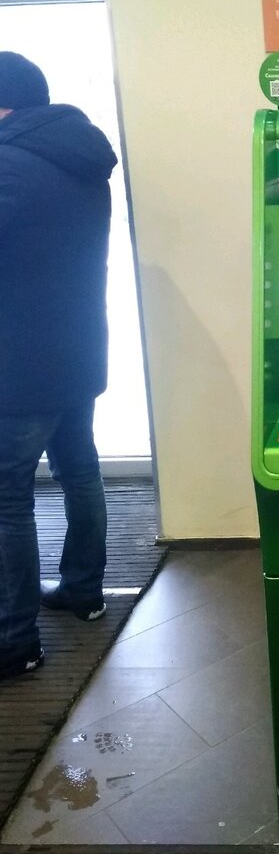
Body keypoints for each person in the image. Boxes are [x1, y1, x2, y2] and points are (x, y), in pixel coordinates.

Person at [0, 51, 117, 682]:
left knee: (7, 500)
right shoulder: (81, 157)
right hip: (77, 348)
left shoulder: (8, 163)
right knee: (79, 471)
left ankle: (14, 640)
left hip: (19, 363)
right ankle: (84, 591)